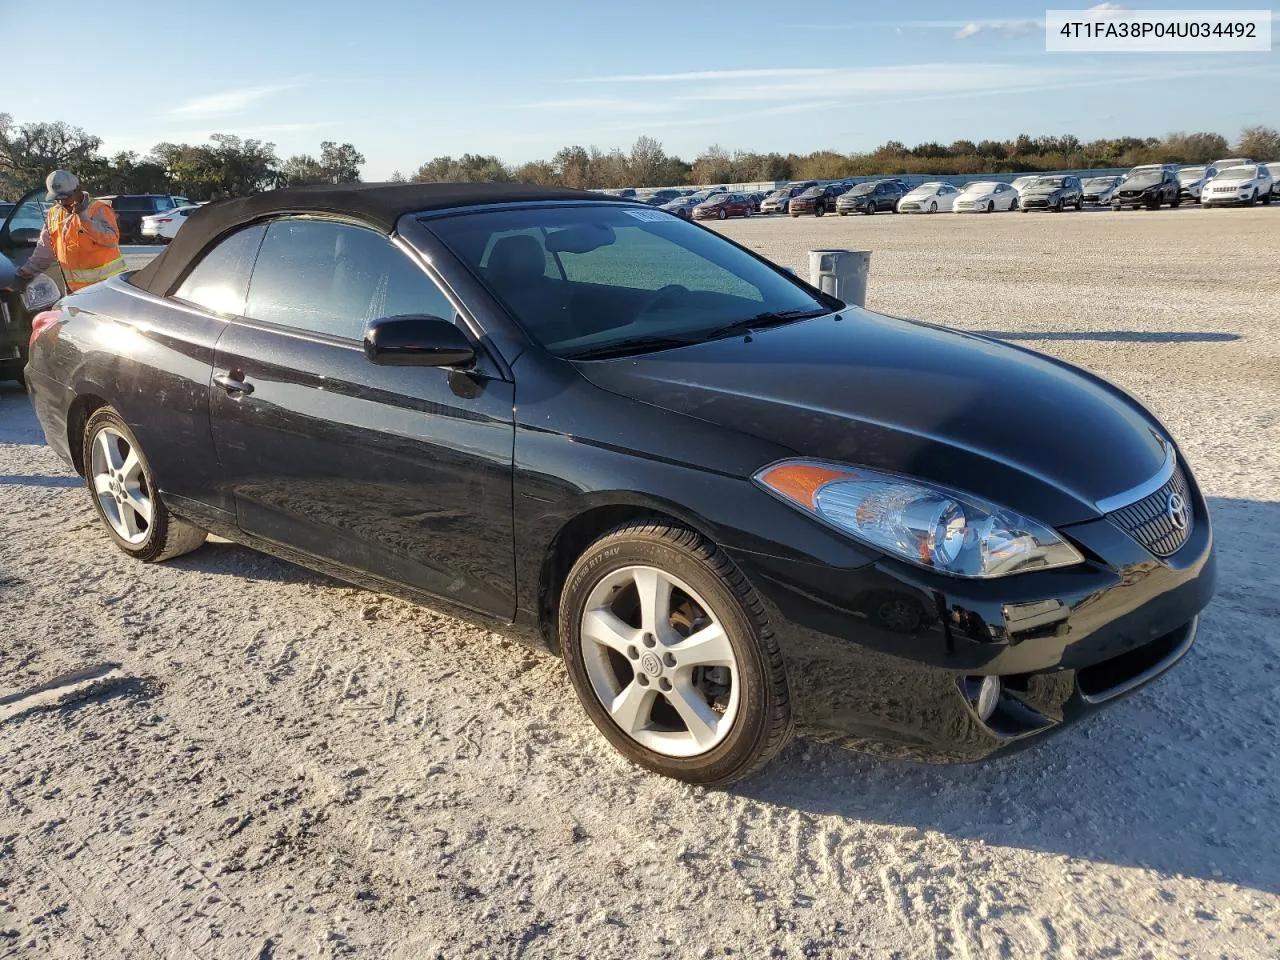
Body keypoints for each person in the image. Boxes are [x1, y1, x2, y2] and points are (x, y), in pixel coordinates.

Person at [13, 170, 126, 293]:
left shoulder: (98, 209)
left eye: (65, 197)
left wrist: (83, 218)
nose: (62, 202)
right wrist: (23, 273)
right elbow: (44, 252)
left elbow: (111, 240)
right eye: (57, 199)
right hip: (75, 294)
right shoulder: (53, 214)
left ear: (78, 190)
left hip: (107, 289)